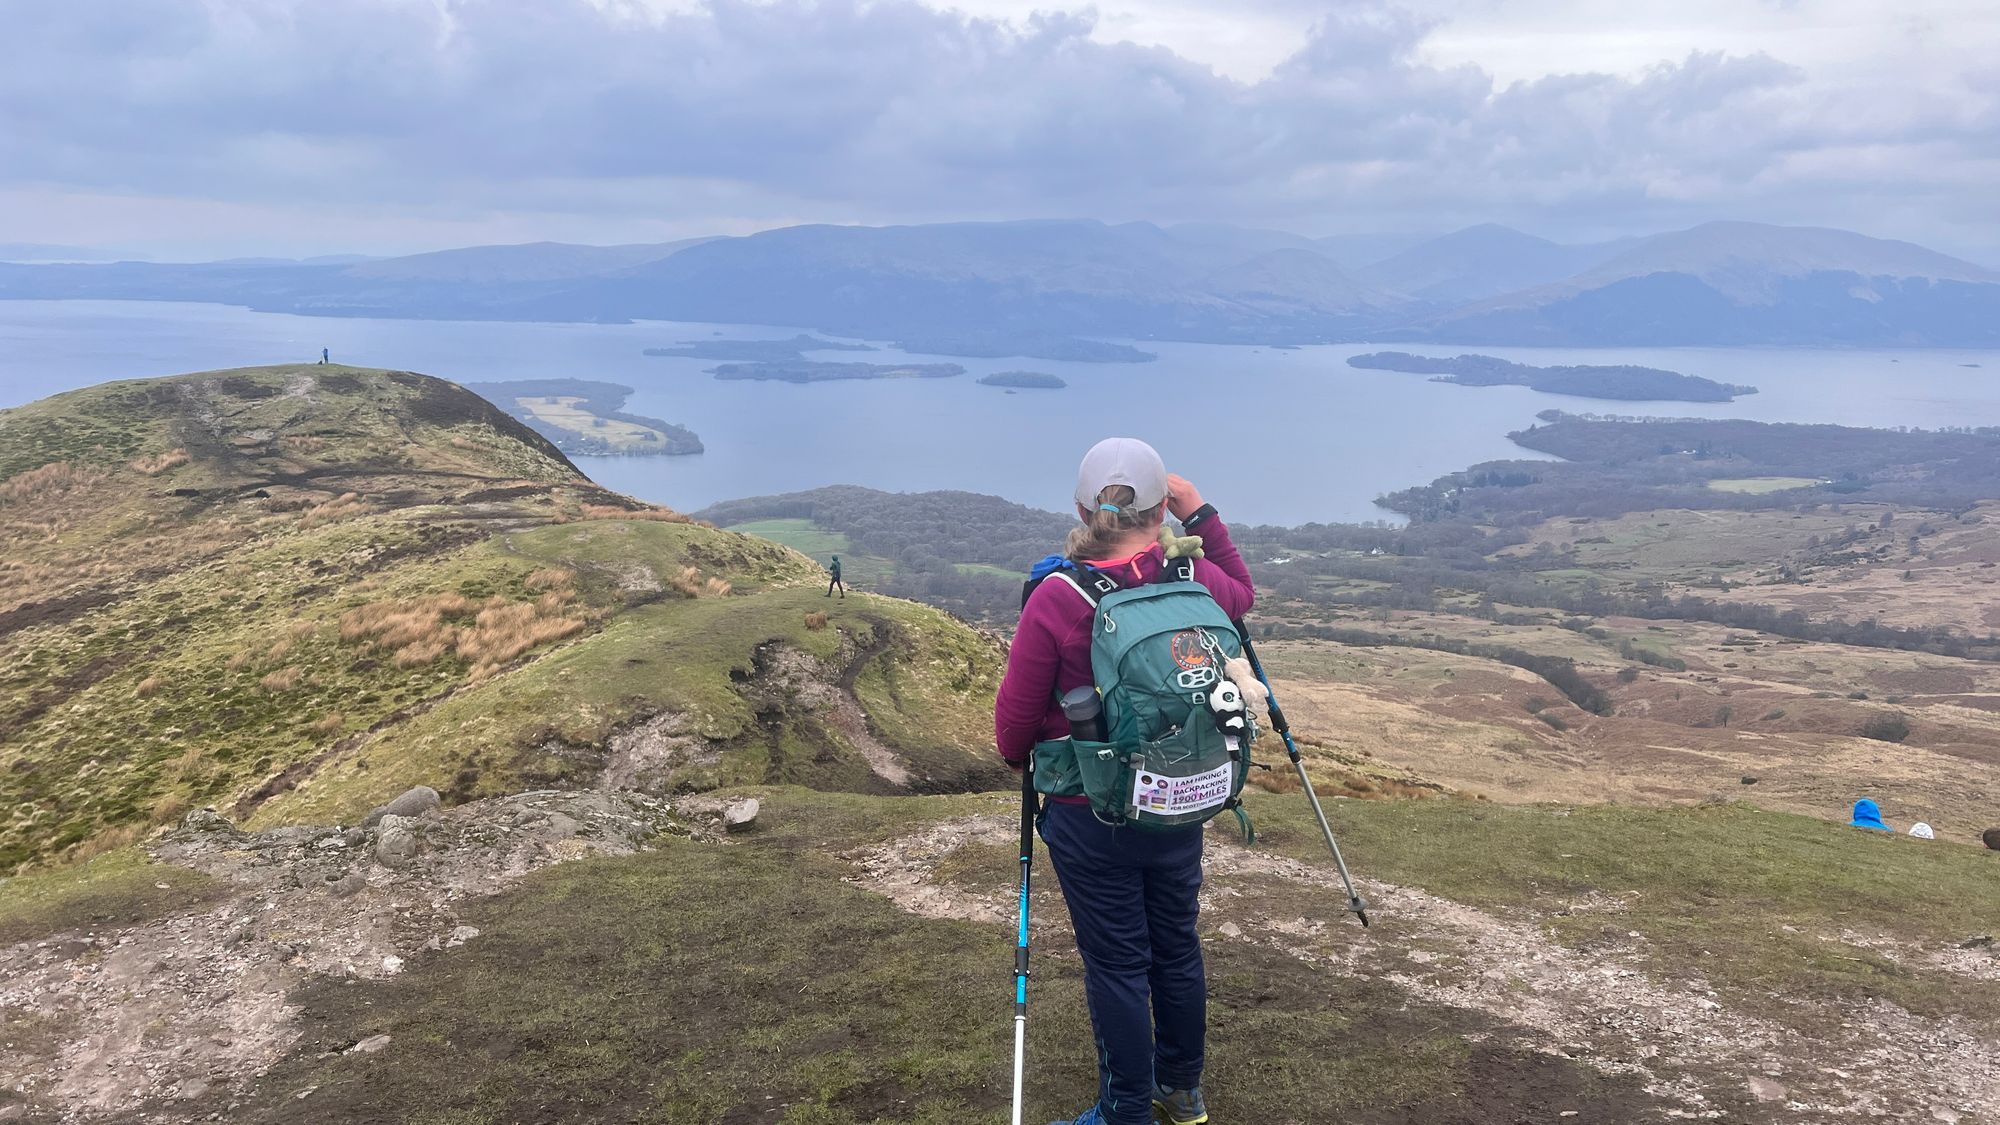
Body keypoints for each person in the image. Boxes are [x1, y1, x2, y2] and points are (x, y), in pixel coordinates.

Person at [995, 437, 1253, 1125]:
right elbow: (1244, 594)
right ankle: (1182, 1092)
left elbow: (1011, 734)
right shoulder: (1191, 577)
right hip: (1181, 798)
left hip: (1092, 810)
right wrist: (1202, 515)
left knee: (1117, 964)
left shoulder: (1058, 595)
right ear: (1161, 507)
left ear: (1082, 507)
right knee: (1175, 946)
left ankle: (1125, 1111)